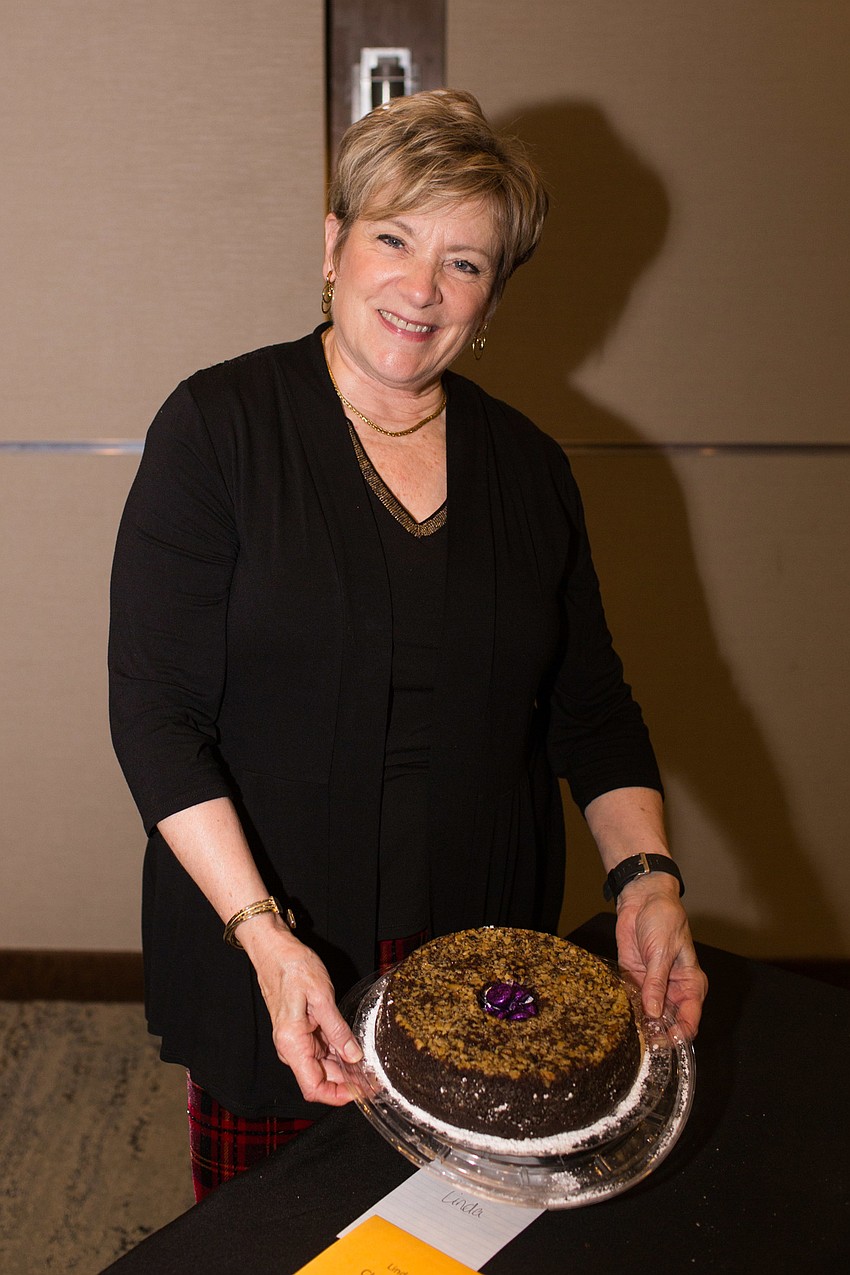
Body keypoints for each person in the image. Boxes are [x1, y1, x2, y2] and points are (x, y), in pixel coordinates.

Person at [109, 89, 707, 1200]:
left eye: (464, 262)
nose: (422, 288)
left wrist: (648, 879)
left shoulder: (530, 468)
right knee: (272, 1230)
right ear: (332, 246)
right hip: (273, 932)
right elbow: (156, 713)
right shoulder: (219, 428)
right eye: (394, 239)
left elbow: (593, 709)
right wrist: (263, 937)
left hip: (483, 945)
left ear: (492, 297)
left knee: (457, 1229)